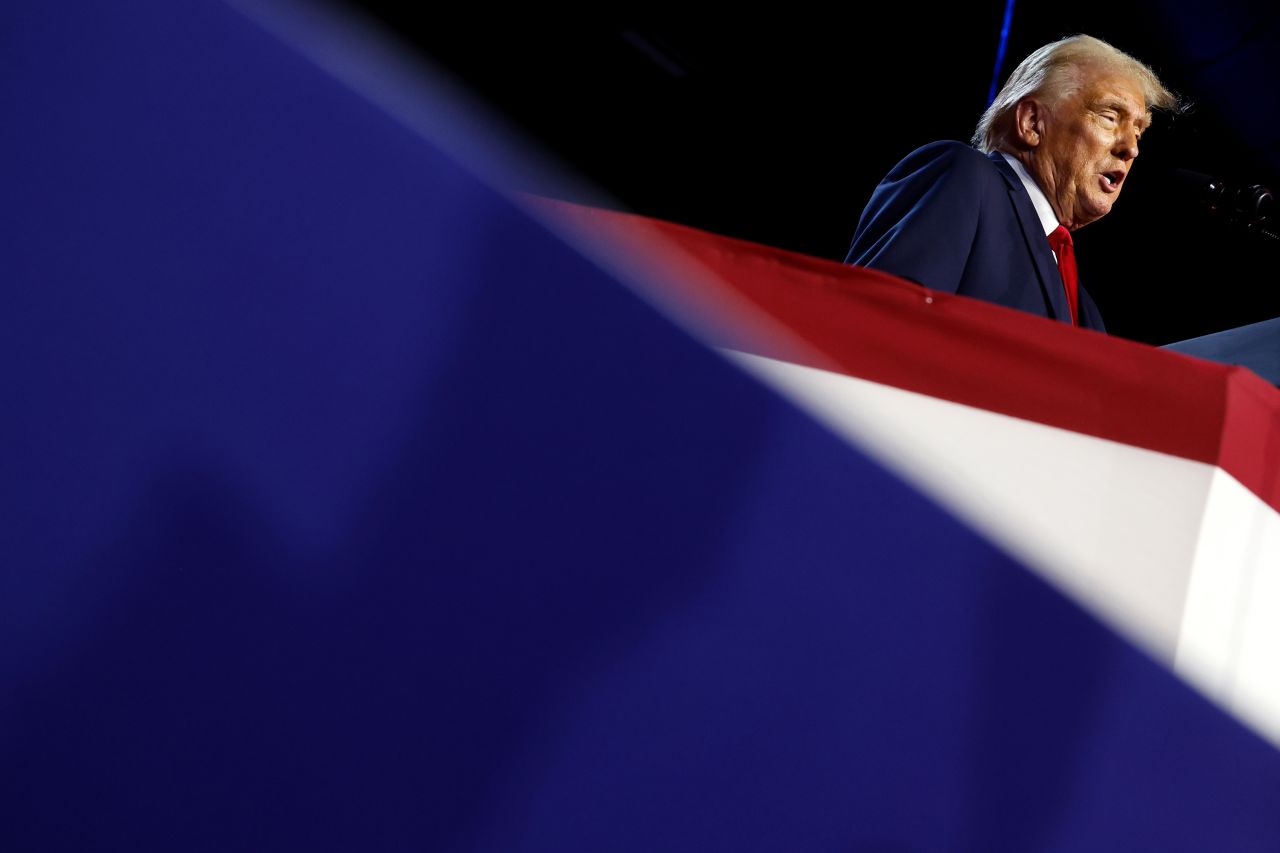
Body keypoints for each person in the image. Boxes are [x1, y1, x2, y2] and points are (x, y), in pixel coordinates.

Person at [846, 35, 1178, 331]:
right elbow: (873, 323)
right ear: (1032, 122)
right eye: (1109, 117)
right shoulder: (964, 177)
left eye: (1138, 132)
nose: (1131, 148)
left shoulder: (1084, 308)